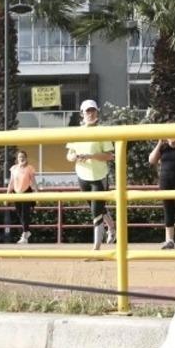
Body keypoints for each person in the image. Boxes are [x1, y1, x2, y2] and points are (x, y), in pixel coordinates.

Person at [66, 99, 116, 250]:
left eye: (93, 110)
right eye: (87, 111)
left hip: (99, 176)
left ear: (97, 112)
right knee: (96, 208)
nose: (90, 113)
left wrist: (90, 156)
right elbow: (69, 155)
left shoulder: (102, 131)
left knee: (96, 211)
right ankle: (112, 228)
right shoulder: (76, 132)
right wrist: (74, 158)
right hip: (83, 176)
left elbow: (110, 156)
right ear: (82, 114)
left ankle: (96, 247)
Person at [7, 149, 37, 244]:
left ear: (26, 158)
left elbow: (33, 181)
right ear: (17, 158)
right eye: (20, 157)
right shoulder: (14, 168)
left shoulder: (29, 168)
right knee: (20, 214)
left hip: (26, 192)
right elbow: (11, 182)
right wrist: (7, 193)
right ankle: (27, 232)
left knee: (25, 214)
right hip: (16, 193)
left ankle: (24, 234)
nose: (21, 158)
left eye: (23, 157)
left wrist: (36, 192)